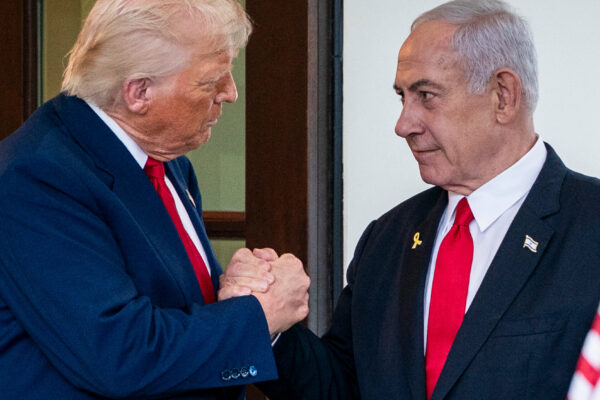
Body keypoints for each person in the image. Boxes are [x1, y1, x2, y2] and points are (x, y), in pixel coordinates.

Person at [223, 0, 600, 399]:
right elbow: (340, 386)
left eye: (427, 95)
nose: (403, 124)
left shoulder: (590, 226)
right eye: (402, 97)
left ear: (502, 96)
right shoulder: (387, 238)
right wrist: (269, 327)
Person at [0, 0, 309, 398]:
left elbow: (176, 308)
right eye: (210, 80)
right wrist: (259, 314)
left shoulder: (166, 161)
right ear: (139, 92)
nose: (230, 93)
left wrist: (236, 291)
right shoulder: (38, 178)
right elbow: (120, 354)